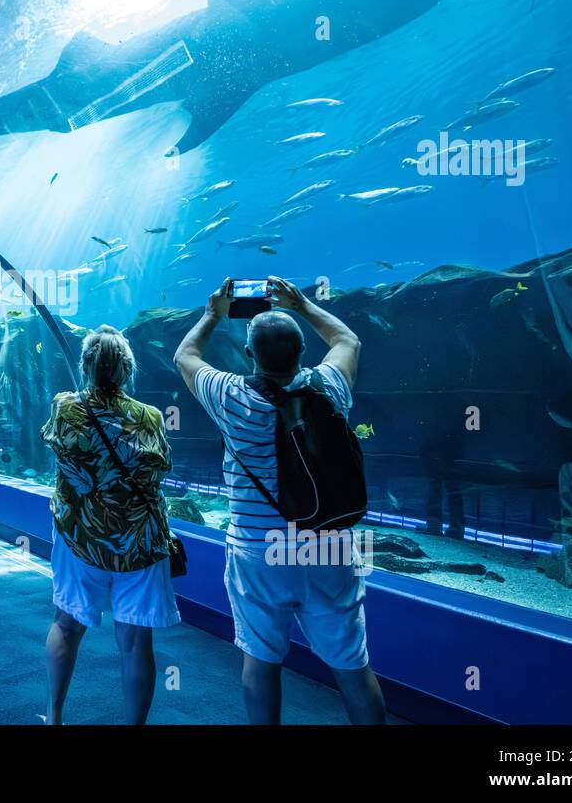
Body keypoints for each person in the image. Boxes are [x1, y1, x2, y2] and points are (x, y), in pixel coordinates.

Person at [174, 277, 386, 725]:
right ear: (302, 352)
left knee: (261, 662)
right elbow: (347, 339)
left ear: (250, 355)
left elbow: (185, 357)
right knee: (353, 666)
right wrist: (304, 305)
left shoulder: (232, 396)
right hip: (331, 546)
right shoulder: (330, 388)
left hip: (258, 551)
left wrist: (213, 314)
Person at [41, 325, 178, 725]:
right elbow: (161, 470)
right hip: (140, 543)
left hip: (81, 537)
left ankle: (54, 716)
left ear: (85, 365)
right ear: (128, 369)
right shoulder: (150, 417)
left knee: (66, 624)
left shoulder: (65, 406)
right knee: (136, 640)